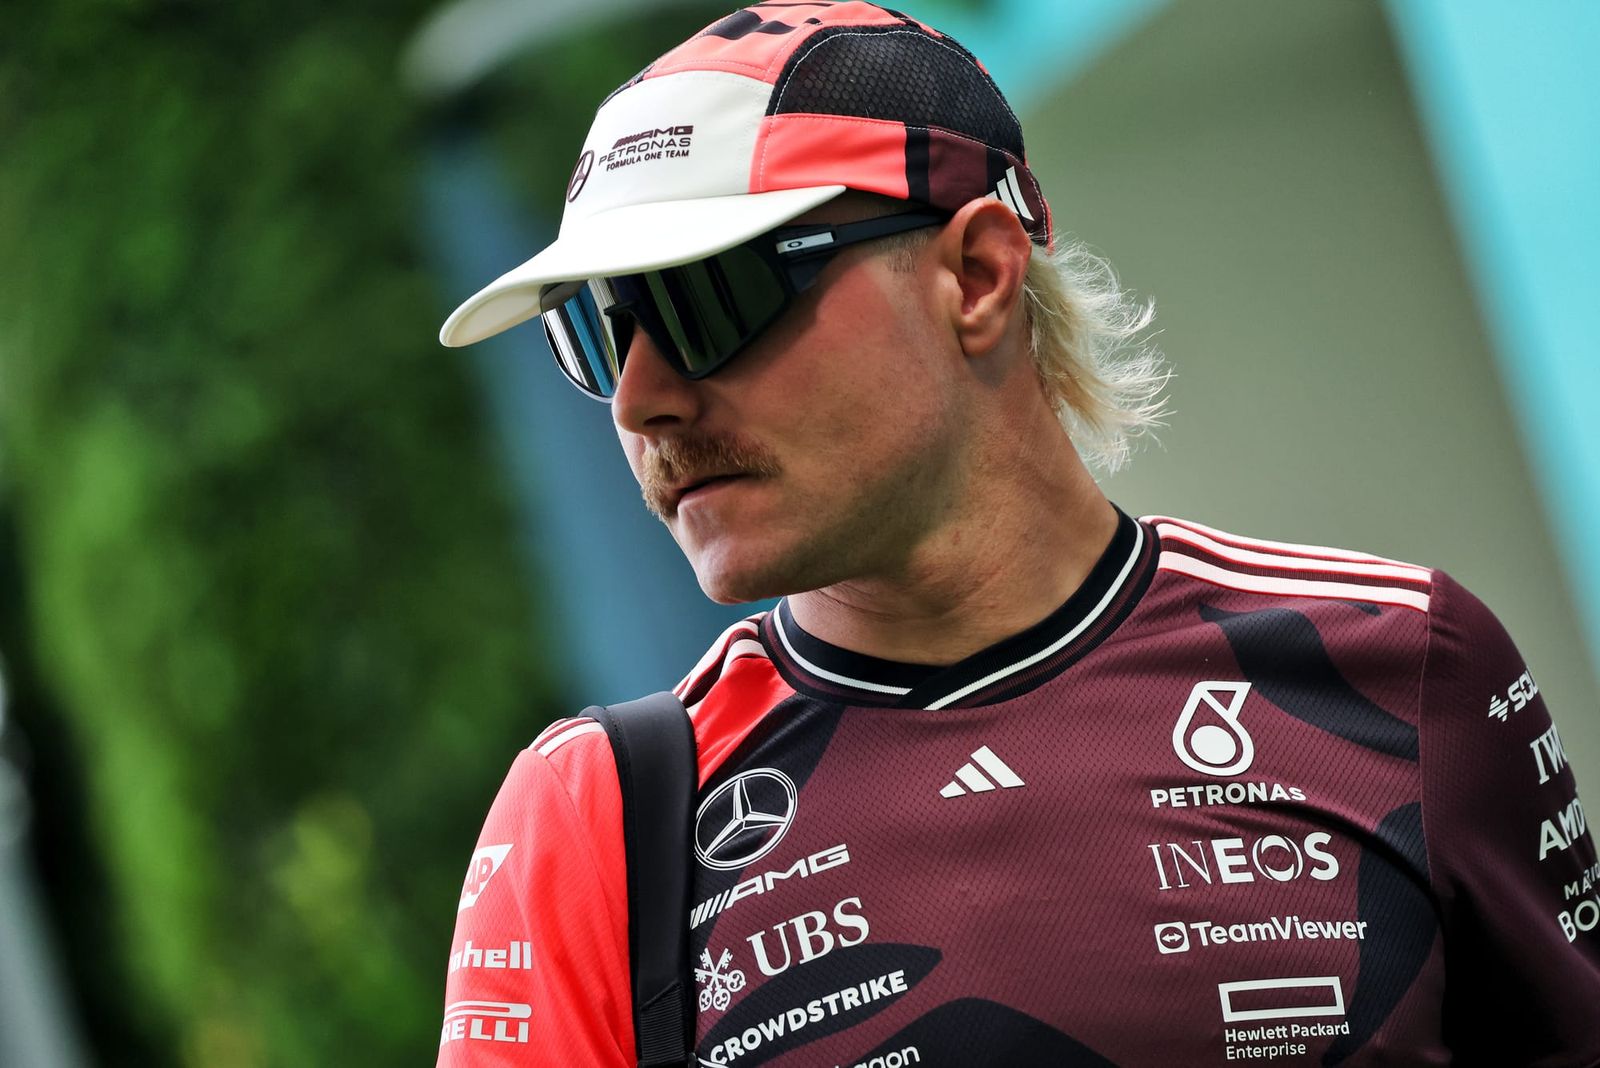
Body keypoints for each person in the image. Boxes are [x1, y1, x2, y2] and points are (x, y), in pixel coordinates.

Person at [432, 3, 1600, 1065]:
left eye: (702, 300)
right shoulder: (602, 818)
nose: (639, 400)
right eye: (601, 330)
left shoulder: (1404, 668)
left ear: (979, 275)